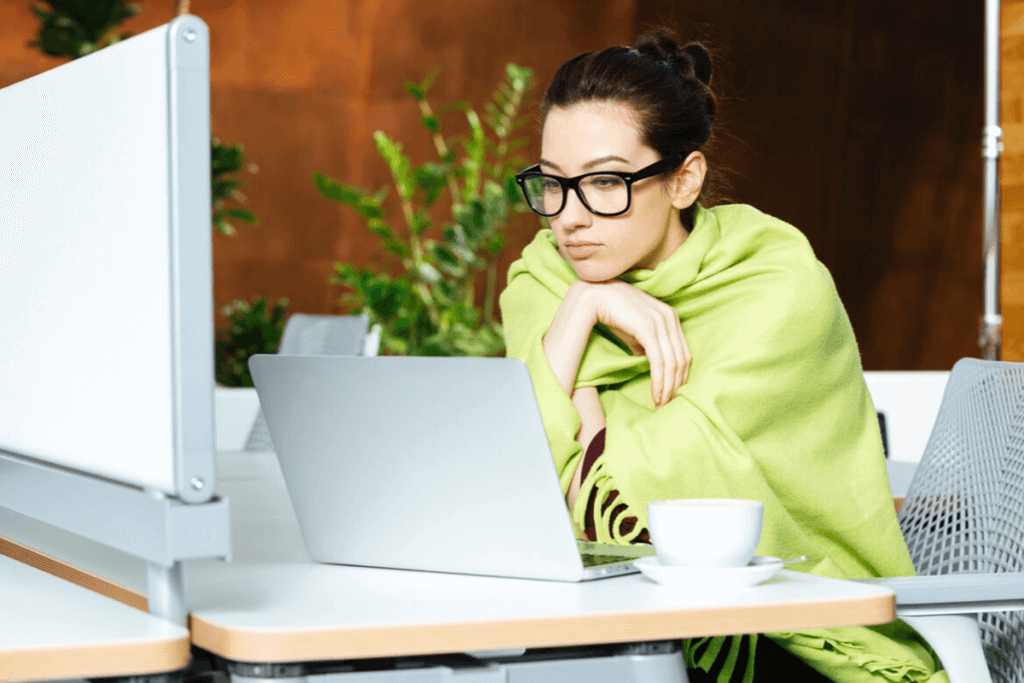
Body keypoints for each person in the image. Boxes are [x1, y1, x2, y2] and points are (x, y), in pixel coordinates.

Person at [498, 29, 948, 683]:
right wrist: (580, 312)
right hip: (604, 616)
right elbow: (512, 483)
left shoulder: (775, 281)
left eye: (604, 182)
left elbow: (674, 502)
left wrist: (579, 410)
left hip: (792, 635)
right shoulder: (545, 283)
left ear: (684, 180)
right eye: (554, 185)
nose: (569, 217)